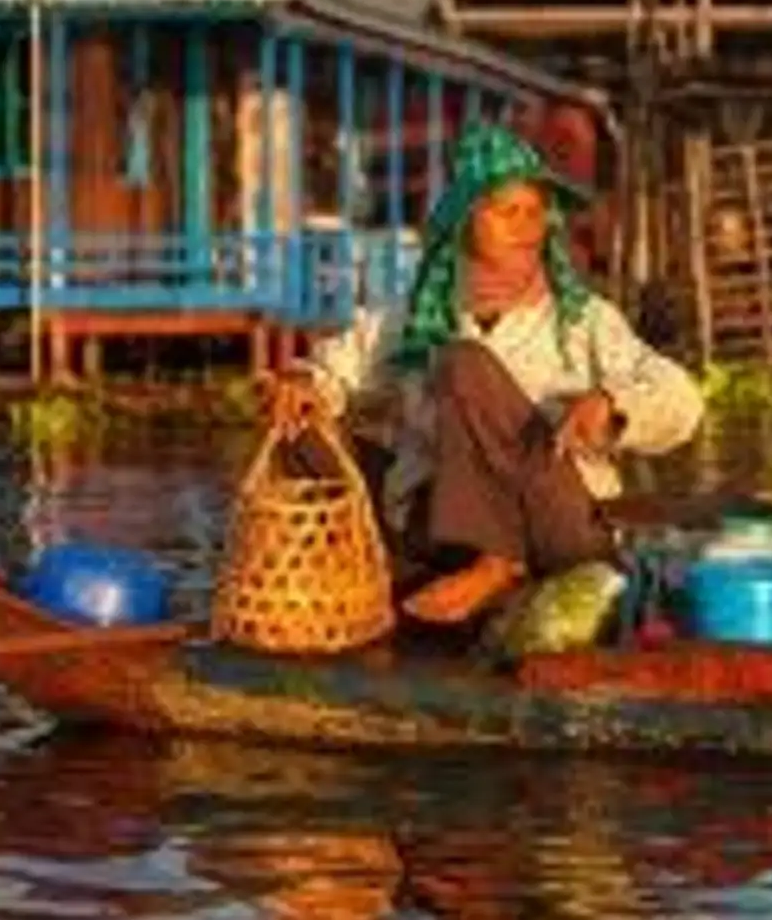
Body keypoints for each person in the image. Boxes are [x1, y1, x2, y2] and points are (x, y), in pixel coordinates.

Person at [268, 121, 705, 626]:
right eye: (508, 211)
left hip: (553, 526)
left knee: (463, 362)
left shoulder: (582, 318)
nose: (527, 227)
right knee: (301, 429)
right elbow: (335, 368)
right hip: (437, 531)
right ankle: (384, 568)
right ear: (467, 222)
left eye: (536, 213)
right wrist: (304, 387)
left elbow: (682, 398)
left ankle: (498, 563)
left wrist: (613, 403)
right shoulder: (419, 311)